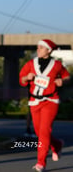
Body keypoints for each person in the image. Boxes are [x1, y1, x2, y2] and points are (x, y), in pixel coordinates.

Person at [19, 39, 70, 172]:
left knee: (44, 131)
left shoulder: (57, 65)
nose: (38, 49)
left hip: (51, 100)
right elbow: (22, 79)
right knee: (38, 132)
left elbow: (66, 76)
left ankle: (41, 163)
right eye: (37, 47)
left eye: (41, 47)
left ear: (49, 50)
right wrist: (27, 77)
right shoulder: (31, 63)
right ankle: (57, 144)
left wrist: (61, 81)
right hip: (35, 101)